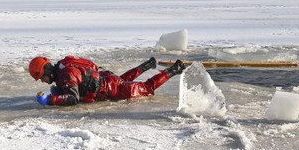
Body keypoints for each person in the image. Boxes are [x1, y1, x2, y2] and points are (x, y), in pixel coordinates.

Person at [28, 55, 186, 107]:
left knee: (146, 87)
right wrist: (60, 90)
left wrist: (51, 100)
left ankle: (175, 69)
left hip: (109, 88)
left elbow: (72, 98)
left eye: (42, 77)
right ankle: (148, 65)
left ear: (47, 71)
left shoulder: (65, 76)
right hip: (105, 78)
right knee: (123, 80)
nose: (43, 81)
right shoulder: (63, 64)